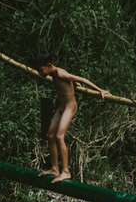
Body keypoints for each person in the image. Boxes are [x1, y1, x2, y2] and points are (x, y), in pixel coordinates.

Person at [34, 53, 108, 183]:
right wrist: (74, 85)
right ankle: (54, 168)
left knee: (59, 136)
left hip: (70, 107)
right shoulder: (53, 74)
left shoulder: (60, 73)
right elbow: (71, 82)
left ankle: (66, 172)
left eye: (41, 70)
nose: (40, 73)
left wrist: (100, 90)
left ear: (49, 65)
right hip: (61, 107)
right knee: (50, 135)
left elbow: (82, 79)